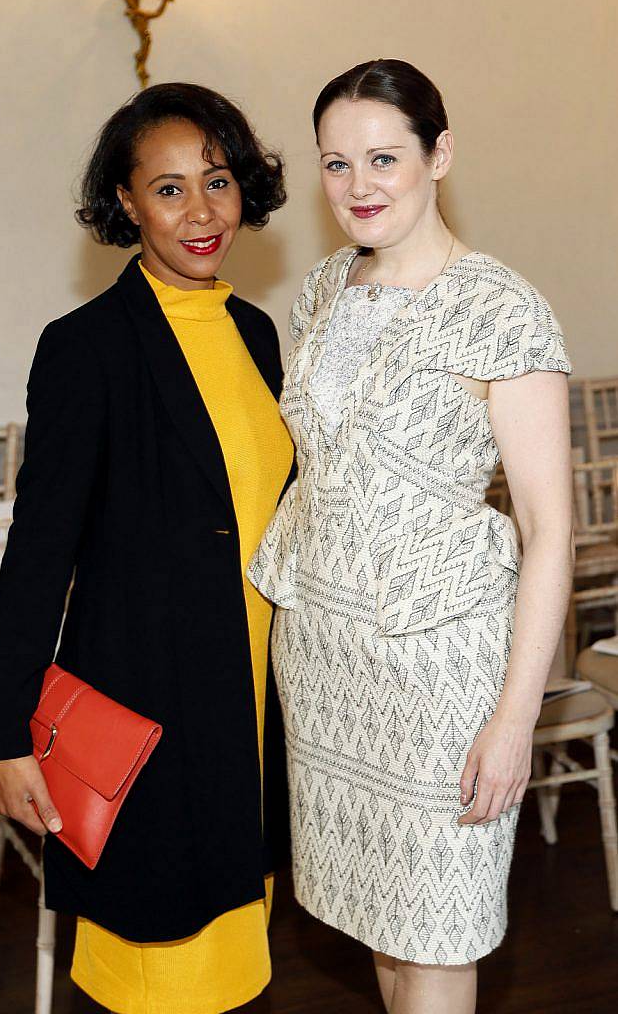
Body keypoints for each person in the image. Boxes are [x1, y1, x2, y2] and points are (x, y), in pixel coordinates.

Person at [248, 59, 574, 1014]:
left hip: (442, 667)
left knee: (437, 928)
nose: (359, 187)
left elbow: (551, 533)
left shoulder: (500, 306)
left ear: (440, 156)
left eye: (385, 158)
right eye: (337, 164)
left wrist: (516, 719)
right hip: (328, 658)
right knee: (384, 934)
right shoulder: (317, 292)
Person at [0, 82, 294, 1014]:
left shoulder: (256, 332)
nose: (201, 213)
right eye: (168, 189)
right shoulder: (87, 347)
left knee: (242, 965)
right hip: (151, 716)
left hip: (255, 704)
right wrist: (7, 737)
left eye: (219, 181)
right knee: (162, 972)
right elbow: (39, 552)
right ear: (124, 200)